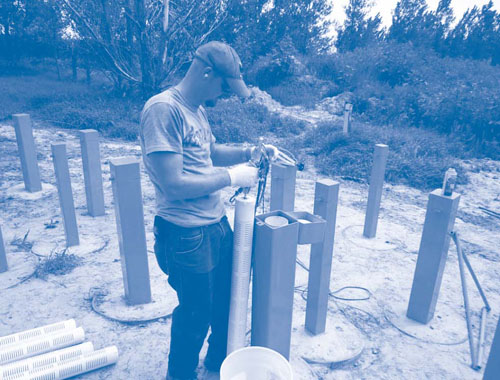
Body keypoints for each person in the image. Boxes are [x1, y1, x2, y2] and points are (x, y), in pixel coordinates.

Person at [139, 41, 277, 380]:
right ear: (205, 73)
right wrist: (230, 178)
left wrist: (249, 152)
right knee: (196, 314)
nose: (225, 95)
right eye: (224, 87)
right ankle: (181, 375)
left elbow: (210, 152)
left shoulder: (197, 109)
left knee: (226, 302)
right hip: (185, 233)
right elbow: (173, 184)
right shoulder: (163, 110)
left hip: (215, 225)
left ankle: (219, 365)